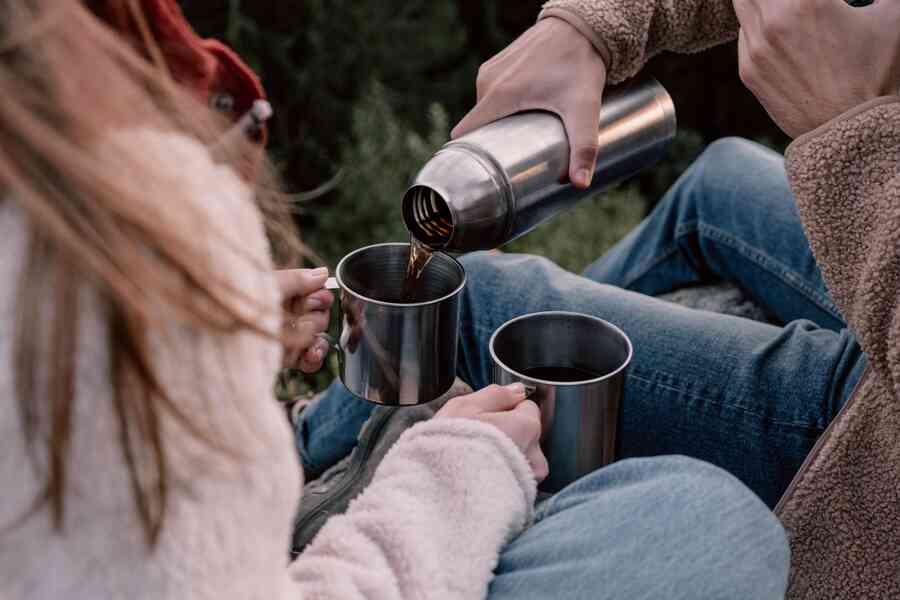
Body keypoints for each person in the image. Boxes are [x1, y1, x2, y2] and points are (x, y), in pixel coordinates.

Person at [0, 1, 789, 598]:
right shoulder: (73, 238)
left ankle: (310, 452)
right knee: (712, 522)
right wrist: (455, 478)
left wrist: (206, 341)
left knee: (720, 173)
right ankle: (324, 469)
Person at [305, 0, 900, 597]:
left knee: (481, 294)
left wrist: (852, 139)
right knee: (720, 176)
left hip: (877, 453)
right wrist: (594, 25)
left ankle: (300, 448)